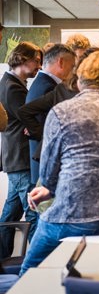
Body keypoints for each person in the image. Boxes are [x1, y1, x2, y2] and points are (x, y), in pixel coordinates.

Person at [20, 51, 99, 275]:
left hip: (74, 217)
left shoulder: (61, 112)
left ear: (77, 81)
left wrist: (48, 190)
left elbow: (47, 178)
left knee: (29, 269)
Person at [18, 47, 99, 156]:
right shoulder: (57, 88)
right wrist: (44, 133)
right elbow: (27, 112)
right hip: (59, 156)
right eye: (72, 66)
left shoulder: (58, 87)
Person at [0, 42, 42, 259]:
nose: (39, 66)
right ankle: (34, 264)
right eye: (36, 61)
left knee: (10, 214)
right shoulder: (11, 87)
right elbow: (28, 118)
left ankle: (3, 260)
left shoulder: (14, 83)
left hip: (17, 158)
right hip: (20, 157)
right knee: (34, 212)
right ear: (22, 59)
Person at [25, 43, 76, 185]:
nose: (73, 72)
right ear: (61, 62)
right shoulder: (50, 87)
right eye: (72, 66)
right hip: (46, 165)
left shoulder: (41, 83)